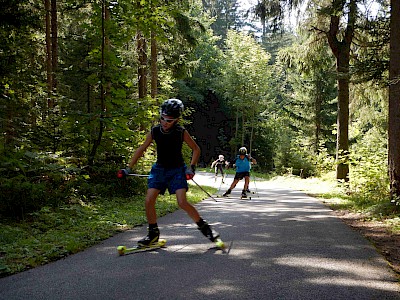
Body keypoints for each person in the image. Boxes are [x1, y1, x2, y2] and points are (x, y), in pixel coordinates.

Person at [118, 99, 220, 247]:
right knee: (149, 200)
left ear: (176, 120)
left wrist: (191, 167)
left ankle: (205, 228)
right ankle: (153, 234)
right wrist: (128, 168)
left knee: (182, 202)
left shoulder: (181, 132)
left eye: (169, 120)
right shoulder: (154, 131)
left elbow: (196, 149)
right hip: (159, 169)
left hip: (177, 170)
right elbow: (141, 149)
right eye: (163, 118)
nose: (165, 122)